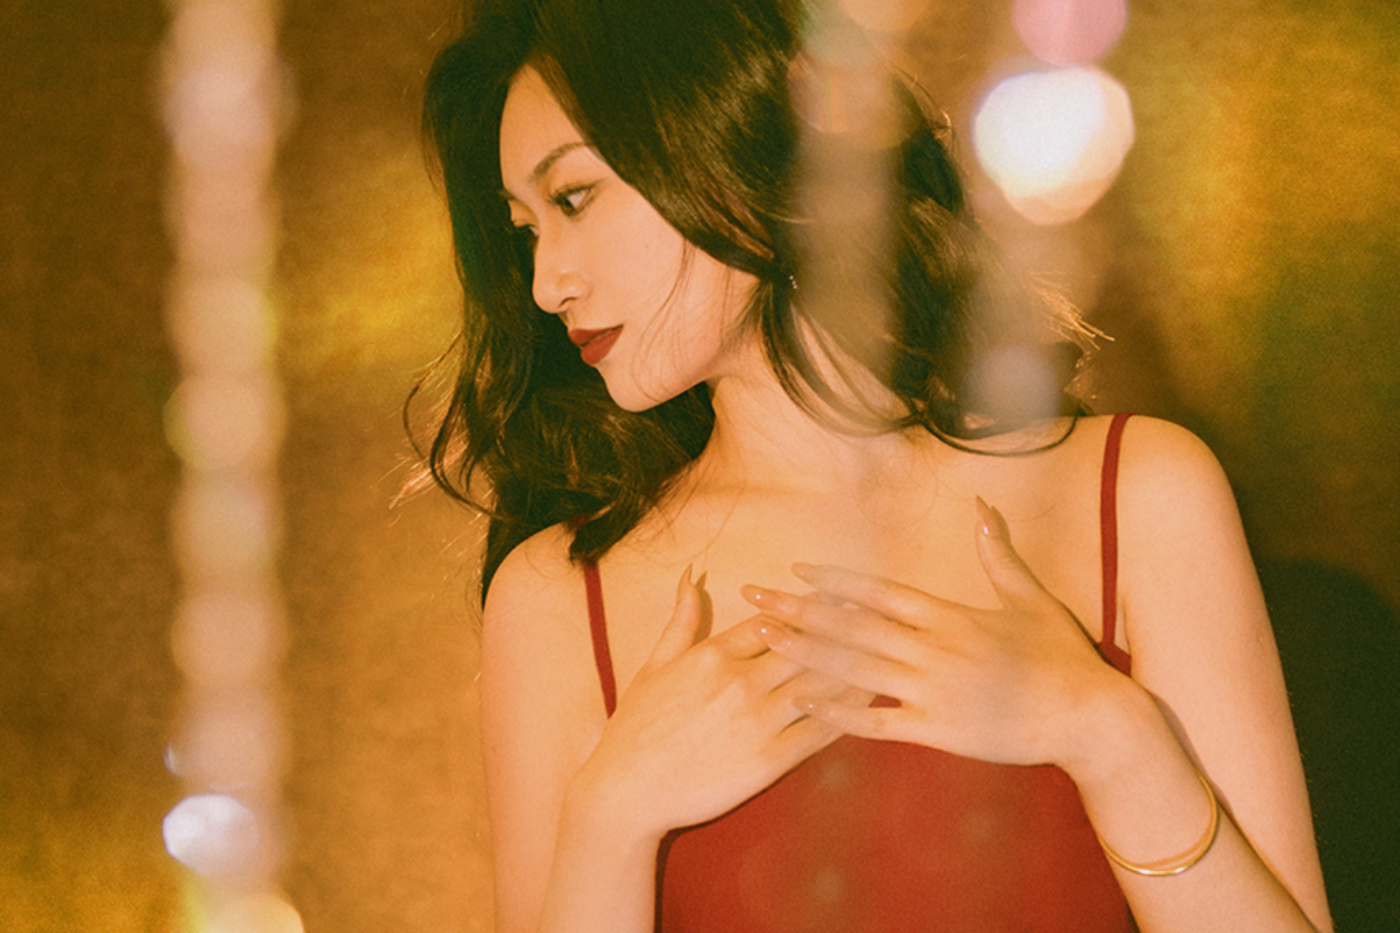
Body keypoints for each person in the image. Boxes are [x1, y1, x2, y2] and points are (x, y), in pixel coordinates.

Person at [417, 0, 1333, 929]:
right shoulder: (557, 599)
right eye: (525, 231)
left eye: (574, 198)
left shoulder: (1141, 494)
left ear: (734, 139)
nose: (547, 283)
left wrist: (1117, 740)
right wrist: (610, 818)